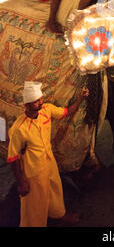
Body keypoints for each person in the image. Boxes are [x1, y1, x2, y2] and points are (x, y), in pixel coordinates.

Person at [7, 81, 89, 227]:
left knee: (54, 190)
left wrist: (81, 98)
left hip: (49, 162)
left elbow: (67, 112)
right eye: (37, 100)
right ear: (27, 104)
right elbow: (13, 158)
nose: (41, 102)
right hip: (34, 171)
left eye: (40, 99)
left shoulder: (46, 110)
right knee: (34, 204)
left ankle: (58, 215)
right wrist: (21, 182)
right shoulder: (19, 129)